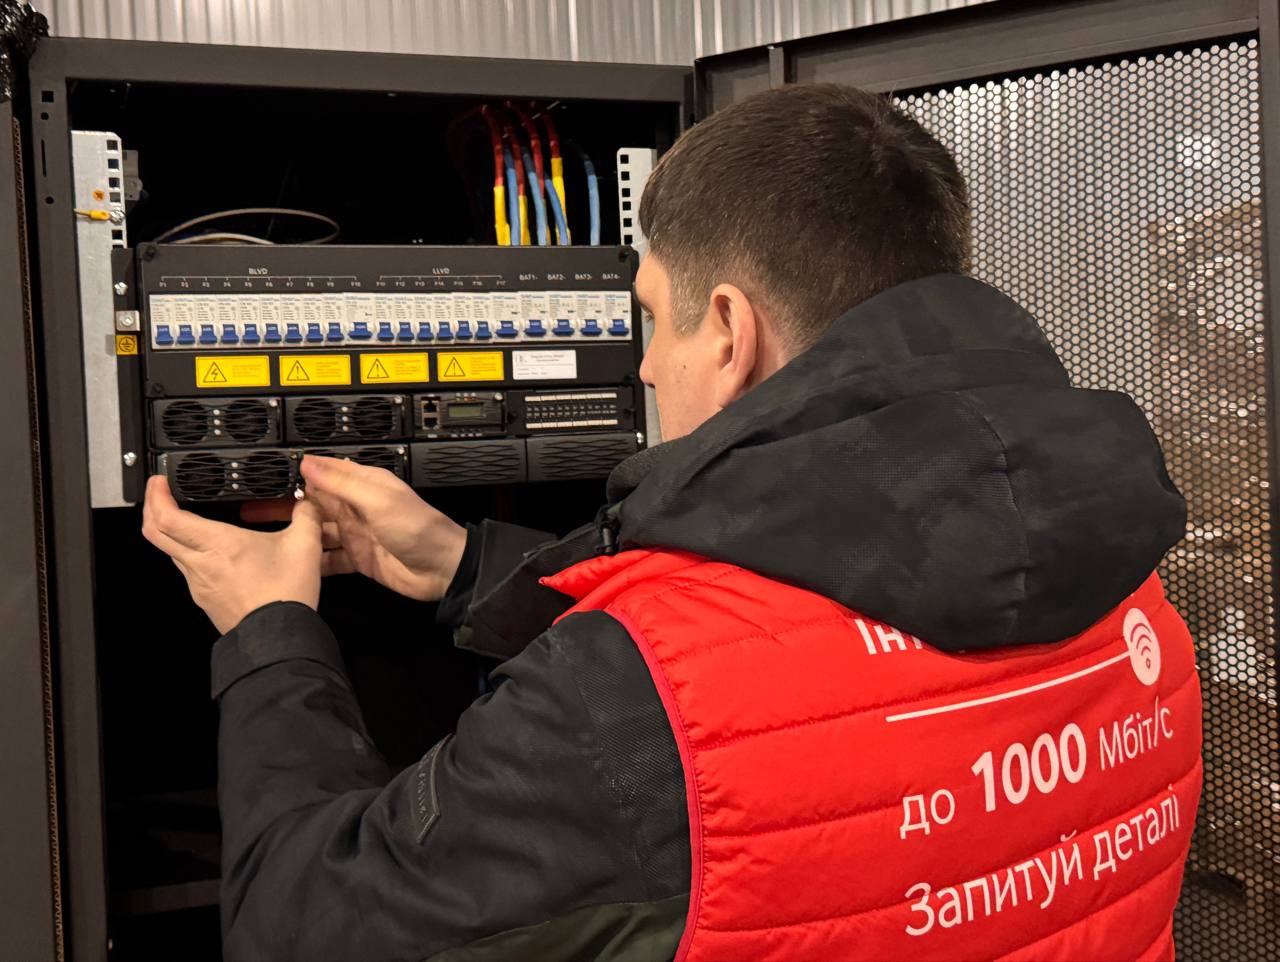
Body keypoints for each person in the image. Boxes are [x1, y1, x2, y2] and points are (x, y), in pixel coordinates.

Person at [143, 83, 1202, 961]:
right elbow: (798, 603)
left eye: (651, 317)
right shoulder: (1128, 591)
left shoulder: (615, 705)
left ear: (730, 331)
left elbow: (297, 922)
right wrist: (467, 566)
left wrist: (269, 631)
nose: (645, 366)